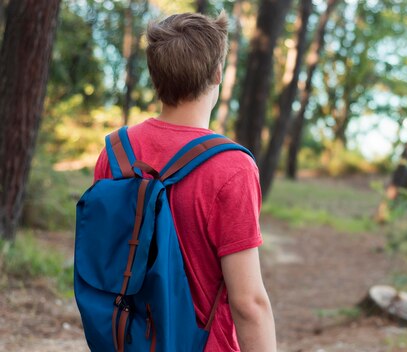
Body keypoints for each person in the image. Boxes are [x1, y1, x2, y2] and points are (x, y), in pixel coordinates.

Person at [93, 12, 276, 352]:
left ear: (156, 75)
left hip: (125, 339)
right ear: (217, 73)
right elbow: (249, 303)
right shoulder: (231, 167)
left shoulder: (116, 154)